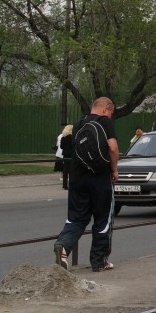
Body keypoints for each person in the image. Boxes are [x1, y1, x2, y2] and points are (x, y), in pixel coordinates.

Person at [53, 97, 120, 272]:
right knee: (102, 220)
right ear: (106, 109)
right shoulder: (105, 122)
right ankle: (99, 262)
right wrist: (114, 170)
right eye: (111, 113)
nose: (111, 116)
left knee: (76, 218)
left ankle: (63, 246)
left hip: (77, 179)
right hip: (99, 178)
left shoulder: (79, 123)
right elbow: (112, 148)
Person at [58, 125, 74, 189]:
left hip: (65, 155)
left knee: (65, 170)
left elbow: (61, 147)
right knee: (71, 170)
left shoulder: (63, 137)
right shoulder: (72, 137)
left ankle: (64, 185)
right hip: (71, 155)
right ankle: (71, 185)